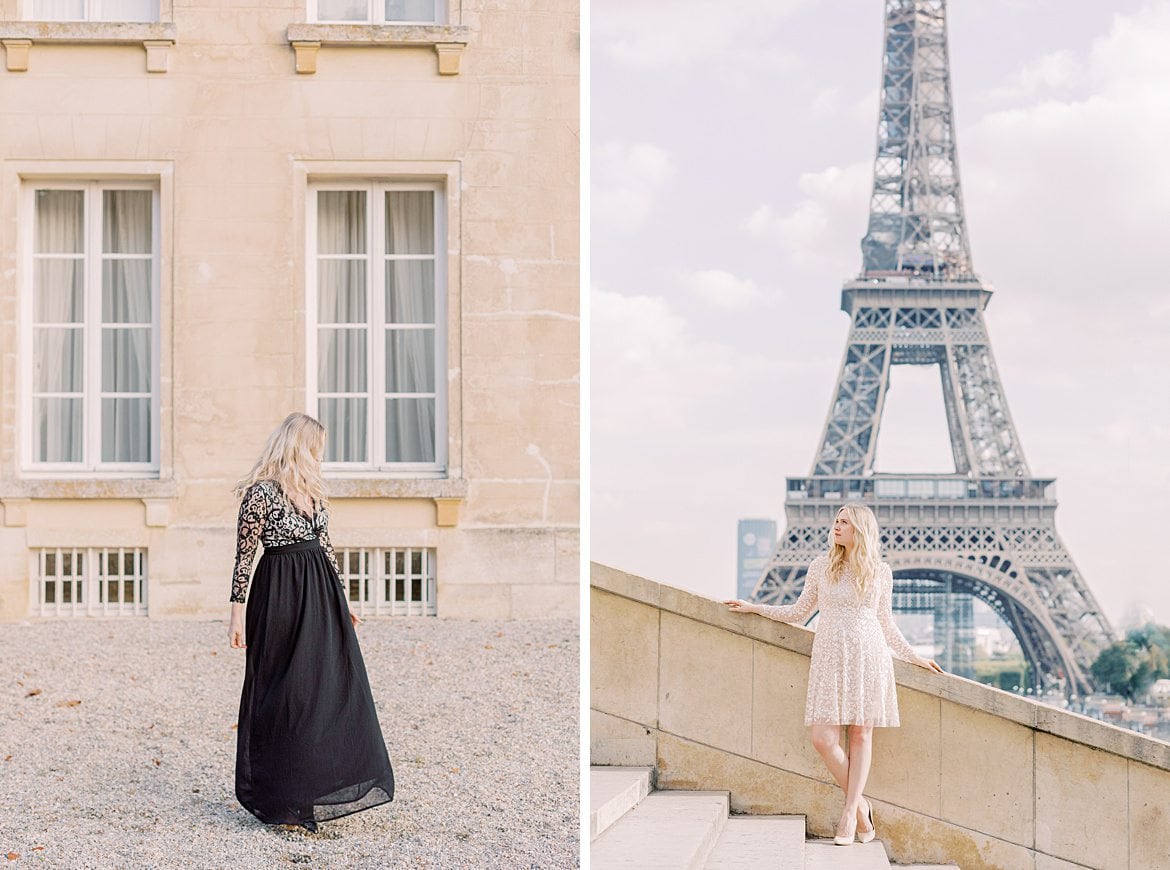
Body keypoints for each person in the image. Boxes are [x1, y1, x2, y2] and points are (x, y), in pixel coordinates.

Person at [725, 504, 943, 845]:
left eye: (844, 522)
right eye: (836, 521)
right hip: (829, 656)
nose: (836, 526)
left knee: (860, 737)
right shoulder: (821, 567)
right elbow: (798, 612)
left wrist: (915, 657)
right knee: (823, 739)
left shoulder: (880, 572)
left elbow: (886, 625)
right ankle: (861, 808)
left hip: (868, 656)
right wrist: (754, 607)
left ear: (860, 528)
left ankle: (848, 813)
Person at [229, 412, 395, 833]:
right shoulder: (260, 495)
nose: (321, 456)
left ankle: (314, 790)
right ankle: (281, 798)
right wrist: (236, 614)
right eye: (316, 448)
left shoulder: (315, 495)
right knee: (286, 693)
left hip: (321, 597)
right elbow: (244, 558)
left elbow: (326, 547)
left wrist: (343, 599)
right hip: (280, 596)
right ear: (299, 447)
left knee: (323, 690)